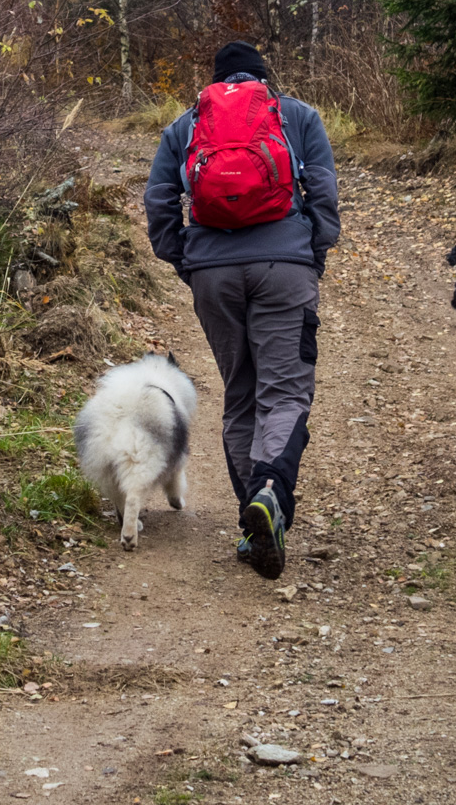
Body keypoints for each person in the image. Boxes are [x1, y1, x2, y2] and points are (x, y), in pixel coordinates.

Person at [144, 41, 341, 580]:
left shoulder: (186, 126)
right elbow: (322, 189)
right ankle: (270, 492)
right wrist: (312, 251)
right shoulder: (296, 116)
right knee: (285, 389)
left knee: (241, 392)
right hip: (284, 266)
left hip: (212, 271)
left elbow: (159, 198)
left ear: (214, 81)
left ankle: (250, 520)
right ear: (262, 79)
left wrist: (185, 258)